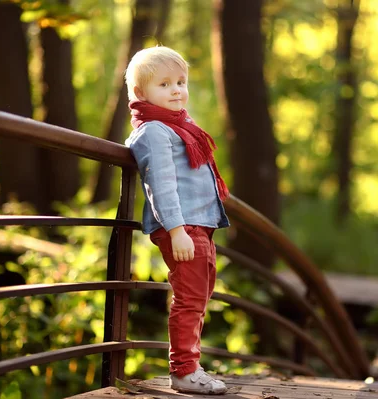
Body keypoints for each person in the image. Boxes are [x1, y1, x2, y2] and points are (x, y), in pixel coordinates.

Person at [124, 46, 230, 395]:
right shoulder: (154, 131)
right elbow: (162, 185)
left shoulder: (180, 127)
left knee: (199, 296)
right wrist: (176, 230)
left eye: (181, 82)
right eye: (165, 84)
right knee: (190, 299)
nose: (176, 90)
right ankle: (184, 371)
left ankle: (190, 365)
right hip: (182, 227)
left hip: (198, 224)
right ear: (141, 94)